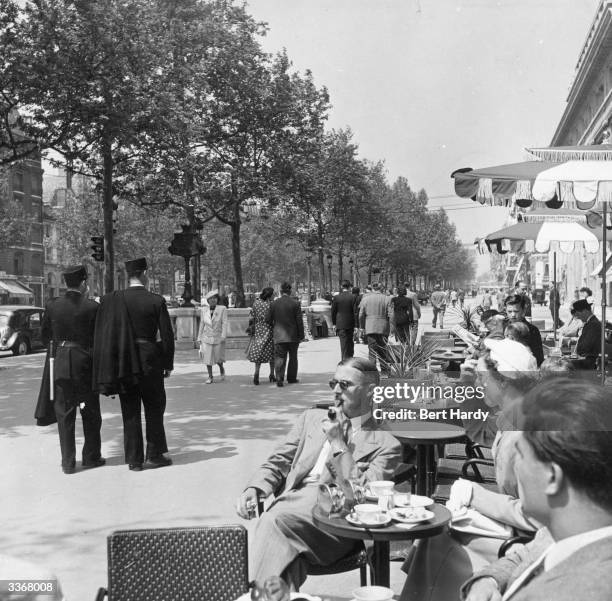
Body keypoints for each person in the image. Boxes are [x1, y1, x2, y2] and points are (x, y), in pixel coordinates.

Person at [235, 357, 402, 590]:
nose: (335, 390)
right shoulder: (311, 419)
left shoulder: (386, 444)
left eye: (344, 385)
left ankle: (252, 593)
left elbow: (364, 496)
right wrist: (256, 487)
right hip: (294, 510)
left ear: (370, 392)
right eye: (333, 382)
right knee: (287, 560)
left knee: (273, 520)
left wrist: (338, 444)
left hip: (337, 523)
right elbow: (280, 459)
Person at [400, 339, 539, 601]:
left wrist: (476, 496)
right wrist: (465, 387)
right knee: (433, 531)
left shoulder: (530, 430)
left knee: (436, 535)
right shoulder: (511, 415)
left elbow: (537, 514)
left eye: (482, 377)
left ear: (504, 381)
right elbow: (481, 432)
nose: (479, 383)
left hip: (528, 541)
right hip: (512, 528)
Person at [461, 378, 612, 601]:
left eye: (520, 455)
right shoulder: (577, 531)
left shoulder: (565, 593)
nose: (516, 467)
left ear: (552, 477)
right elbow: (530, 552)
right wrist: (489, 579)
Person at [93, 257, 174, 471]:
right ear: (145, 274)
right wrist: (167, 364)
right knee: (154, 408)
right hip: (150, 360)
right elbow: (166, 336)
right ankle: (155, 455)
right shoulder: (156, 301)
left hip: (125, 361)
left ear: (128, 276)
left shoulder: (115, 299)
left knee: (129, 410)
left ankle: (134, 460)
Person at [35, 265, 103, 475]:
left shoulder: (52, 305)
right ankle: (91, 457)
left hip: (61, 362)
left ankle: (68, 462)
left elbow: (45, 336)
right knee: (89, 411)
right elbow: (98, 338)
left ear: (65, 283)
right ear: (83, 283)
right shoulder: (92, 307)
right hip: (85, 363)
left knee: (65, 413)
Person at [266, 282, 304, 387]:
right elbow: (299, 321)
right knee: (293, 357)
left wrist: (274, 325)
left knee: (280, 357)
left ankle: (279, 377)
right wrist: (301, 335)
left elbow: (267, 319)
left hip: (279, 335)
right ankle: (291, 378)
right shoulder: (295, 303)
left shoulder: (274, 304)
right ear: (290, 291)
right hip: (293, 335)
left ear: (280, 291)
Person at [358, 282, 391, 374]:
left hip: (370, 327)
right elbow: (391, 315)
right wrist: (392, 328)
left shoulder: (365, 299)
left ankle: (371, 373)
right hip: (383, 328)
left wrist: (362, 327)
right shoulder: (387, 299)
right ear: (381, 288)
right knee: (383, 351)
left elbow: (361, 315)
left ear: (372, 288)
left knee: (372, 351)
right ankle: (384, 372)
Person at [197, 290, 228, 384]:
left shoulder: (222, 309)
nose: (213, 300)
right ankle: (210, 376)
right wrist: (199, 337)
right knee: (207, 359)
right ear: (208, 300)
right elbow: (202, 323)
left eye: (214, 298)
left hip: (218, 337)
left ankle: (221, 368)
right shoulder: (203, 310)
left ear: (217, 299)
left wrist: (223, 336)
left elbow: (224, 323)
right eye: (210, 299)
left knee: (218, 358)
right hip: (207, 337)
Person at [504, 294, 544, 366]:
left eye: (516, 311)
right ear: (505, 310)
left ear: (523, 311)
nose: (513, 315)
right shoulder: (502, 328)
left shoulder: (532, 330)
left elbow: (538, 358)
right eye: (509, 311)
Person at [247, 287, 275, 385]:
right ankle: (272, 374)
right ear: (270, 295)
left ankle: (256, 373)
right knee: (271, 352)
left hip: (258, 330)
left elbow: (251, 317)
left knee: (258, 351)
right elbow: (273, 318)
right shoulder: (271, 305)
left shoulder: (256, 303)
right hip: (269, 330)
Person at [570, 298, 601, 370]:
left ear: (585, 311)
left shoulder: (593, 324)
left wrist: (578, 349)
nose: (578, 317)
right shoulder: (590, 323)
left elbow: (585, 346)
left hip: (589, 362)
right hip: (587, 359)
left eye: (578, 314)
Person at [331, 280, 358, 360]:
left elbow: (333, 312)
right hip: (350, 323)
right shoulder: (353, 297)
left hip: (340, 323)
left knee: (343, 344)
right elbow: (355, 312)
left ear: (341, 287)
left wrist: (334, 324)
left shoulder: (336, 297)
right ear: (349, 287)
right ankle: (349, 359)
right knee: (350, 343)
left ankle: (344, 360)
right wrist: (357, 325)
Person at [404, 282, 422, 347]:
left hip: (404, 315)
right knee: (414, 329)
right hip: (413, 315)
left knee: (405, 329)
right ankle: (412, 344)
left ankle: (406, 344)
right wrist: (419, 313)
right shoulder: (413, 294)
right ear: (409, 286)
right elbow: (417, 305)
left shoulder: (400, 294)